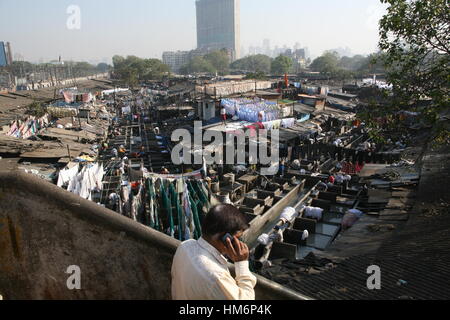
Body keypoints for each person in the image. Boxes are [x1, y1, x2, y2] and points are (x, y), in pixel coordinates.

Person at [171, 204, 257, 300]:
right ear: (226, 238)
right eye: (237, 238)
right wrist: (242, 263)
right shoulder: (216, 277)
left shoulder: (185, 246)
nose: (239, 243)